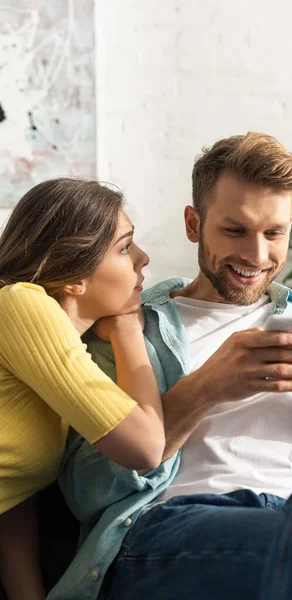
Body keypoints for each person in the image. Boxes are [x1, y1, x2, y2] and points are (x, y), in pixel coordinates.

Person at [50, 134, 292, 600]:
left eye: (274, 233)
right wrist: (208, 386)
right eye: (235, 231)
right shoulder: (128, 328)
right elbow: (87, 491)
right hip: (176, 527)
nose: (256, 256)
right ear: (194, 224)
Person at [0, 178, 165, 600]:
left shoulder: (55, 352)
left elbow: (12, 490)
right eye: (125, 248)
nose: (143, 258)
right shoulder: (21, 303)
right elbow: (146, 448)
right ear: (74, 277)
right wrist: (128, 330)